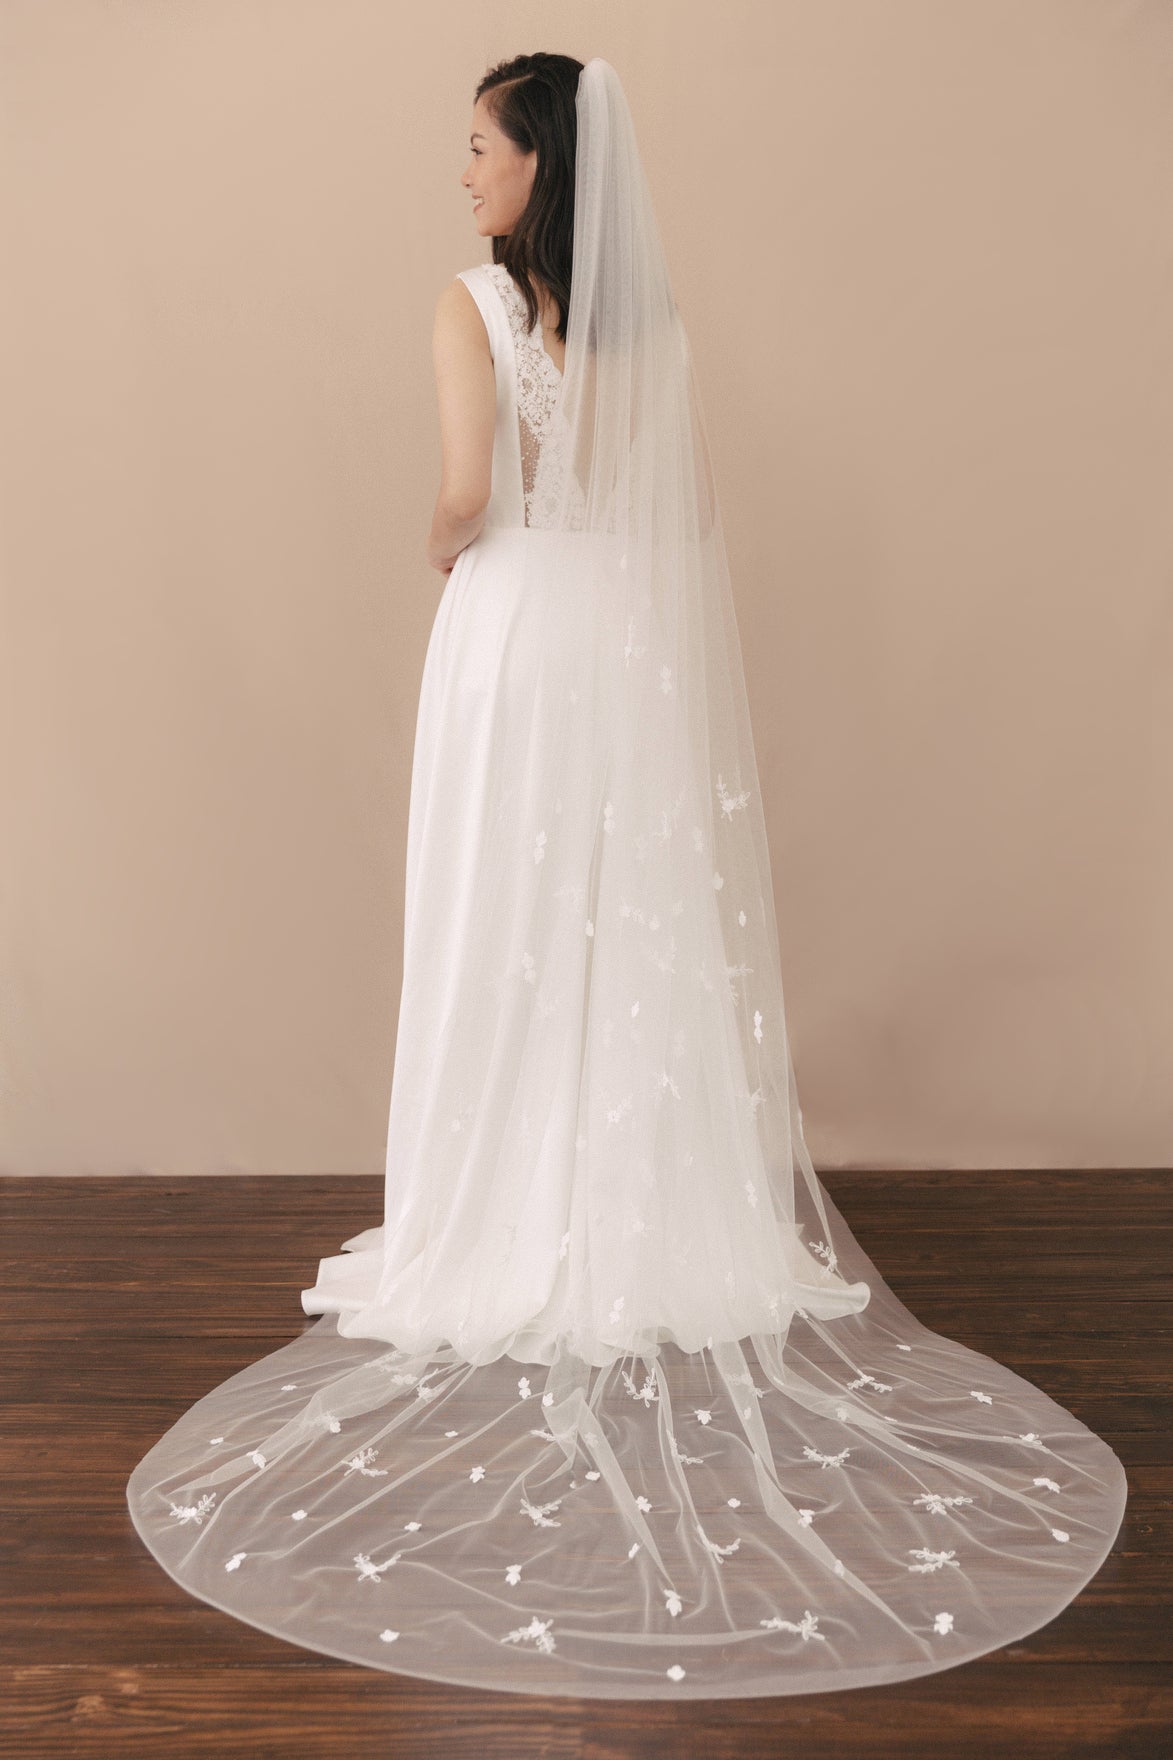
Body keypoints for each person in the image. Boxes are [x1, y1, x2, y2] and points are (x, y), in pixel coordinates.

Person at [126, 53, 1128, 1700]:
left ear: (536, 169)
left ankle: (492, 1205)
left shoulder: (465, 305)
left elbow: (466, 496)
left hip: (519, 633)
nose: (457, 177)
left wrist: (441, 543)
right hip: (626, 650)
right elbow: (680, 515)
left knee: (498, 921)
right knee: (622, 925)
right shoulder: (654, 331)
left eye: (475, 150)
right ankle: (637, 1201)